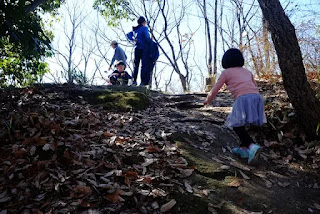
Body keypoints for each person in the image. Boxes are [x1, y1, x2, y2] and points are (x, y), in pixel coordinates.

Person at [204, 48, 267, 164]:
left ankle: (252, 146)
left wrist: (207, 100)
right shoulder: (247, 72)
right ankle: (244, 150)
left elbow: (215, 89)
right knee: (242, 124)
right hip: (256, 97)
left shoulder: (226, 73)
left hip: (242, 98)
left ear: (226, 61)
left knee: (236, 125)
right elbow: (254, 86)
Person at [126, 16, 151, 86]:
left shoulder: (135, 29)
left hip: (137, 48)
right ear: (143, 22)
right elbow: (147, 37)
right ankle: (142, 82)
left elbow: (128, 35)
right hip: (144, 49)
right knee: (143, 65)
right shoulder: (144, 28)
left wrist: (133, 39)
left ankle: (134, 81)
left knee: (136, 65)